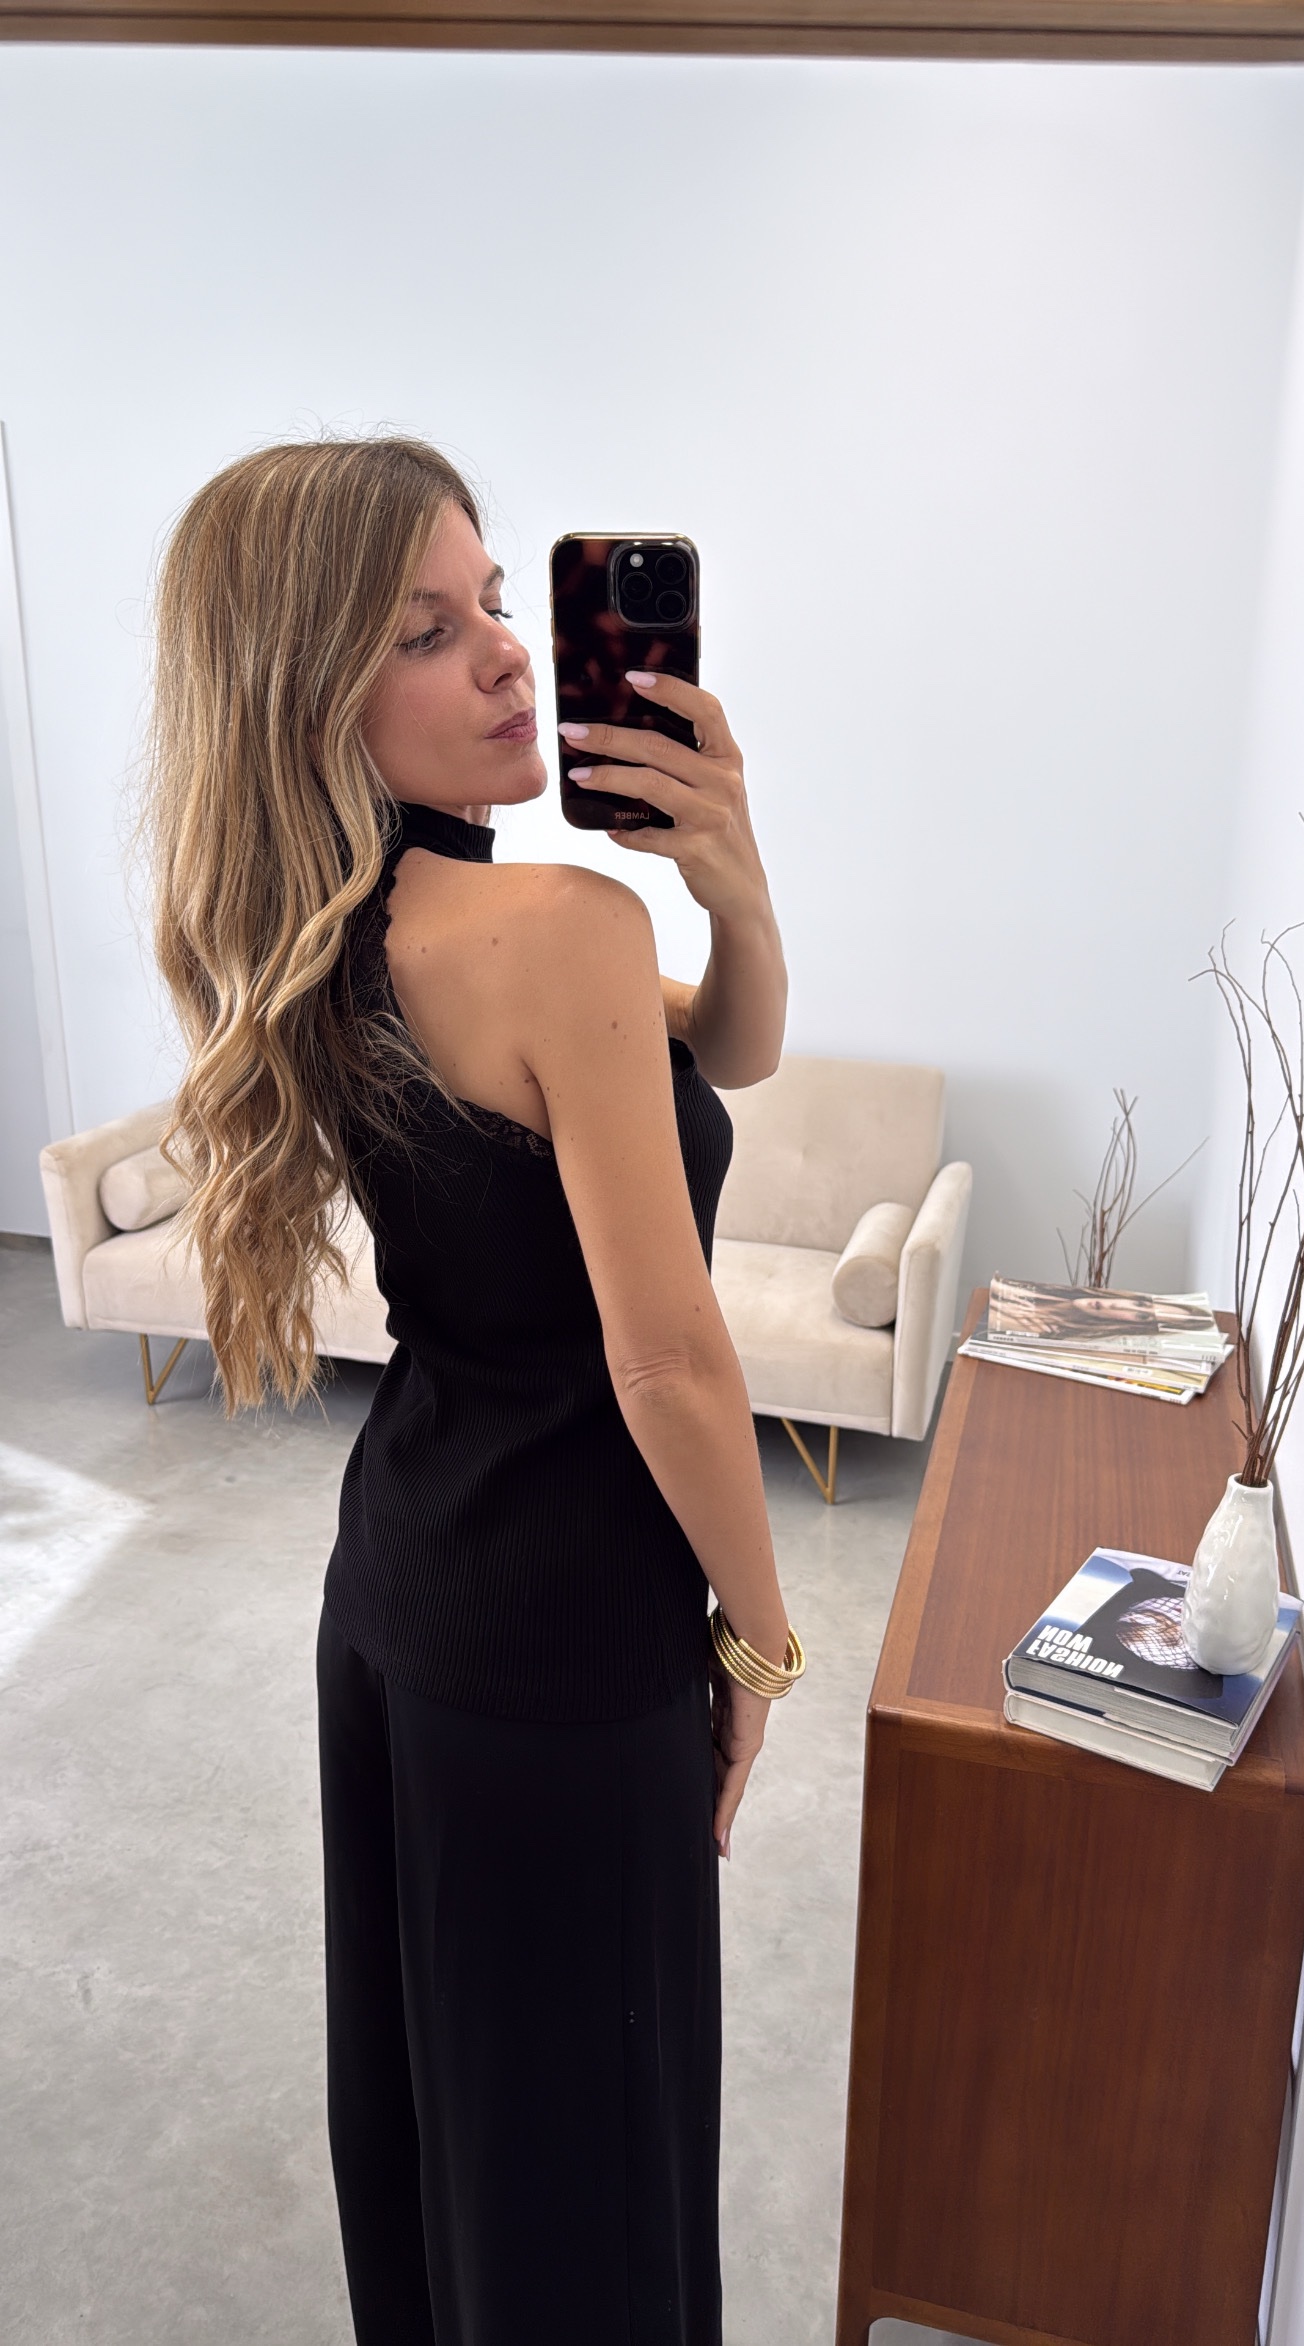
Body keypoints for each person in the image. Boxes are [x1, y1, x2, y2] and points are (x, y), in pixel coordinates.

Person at [146, 435, 801, 2346]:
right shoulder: (549, 936)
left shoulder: (355, 933)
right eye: (426, 630)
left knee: (450, 2145)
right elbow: (670, 1361)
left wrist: (734, 885)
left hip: (400, 1603)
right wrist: (759, 1645)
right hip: (568, 1640)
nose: (511, 652)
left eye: (498, 601)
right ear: (314, 698)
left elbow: (727, 1050)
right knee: (588, 2186)